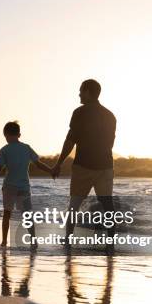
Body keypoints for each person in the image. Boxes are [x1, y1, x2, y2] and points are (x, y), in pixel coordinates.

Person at [51, 79, 116, 239]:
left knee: (74, 205)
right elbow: (110, 143)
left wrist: (58, 163)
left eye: (81, 90)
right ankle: (111, 243)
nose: (79, 93)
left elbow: (70, 141)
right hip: (105, 167)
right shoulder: (110, 116)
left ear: (88, 92)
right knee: (108, 205)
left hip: (83, 166)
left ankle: (67, 240)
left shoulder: (79, 112)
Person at [0, 121, 53, 247]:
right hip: (24, 186)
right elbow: (38, 163)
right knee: (27, 214)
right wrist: (51, 171)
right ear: (19, 134)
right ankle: (33, 240)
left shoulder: (4, 150)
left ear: (5, 135)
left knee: (7, 213)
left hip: (9, 185)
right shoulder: (26, 148)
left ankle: (4, 241)